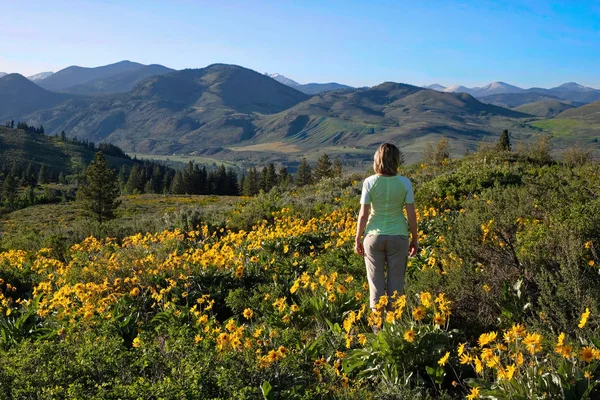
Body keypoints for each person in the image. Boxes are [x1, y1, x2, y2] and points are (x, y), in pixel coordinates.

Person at [354, 143, 418, 317]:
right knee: (396, 284)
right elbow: (411, 215)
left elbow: (363, 215)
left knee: (376, 284)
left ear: (377, 160)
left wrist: (358, 238)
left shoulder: (369, 182)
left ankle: (377, 329)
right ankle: (394, 326)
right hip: (399, 236)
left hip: (374, 237)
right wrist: (415, 239)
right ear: (396, 161)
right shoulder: (405, 183)